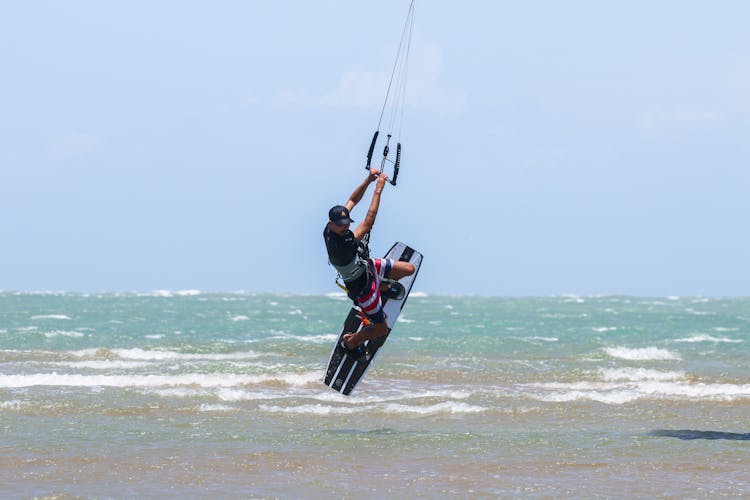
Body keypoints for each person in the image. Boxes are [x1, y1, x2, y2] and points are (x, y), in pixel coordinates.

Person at [324, 169, 415, 358]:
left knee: (408, 269)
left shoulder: (331, 227)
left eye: (347, 222)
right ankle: (350, 341)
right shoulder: (343, 245)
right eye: (341, 224)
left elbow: (352, 200)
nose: (346, 226)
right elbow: (369, 221)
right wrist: (378, 189)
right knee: (381, 328)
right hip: (362, 290)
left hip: (368, 267)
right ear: (331, 224)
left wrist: (368, 180)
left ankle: (381, 287)